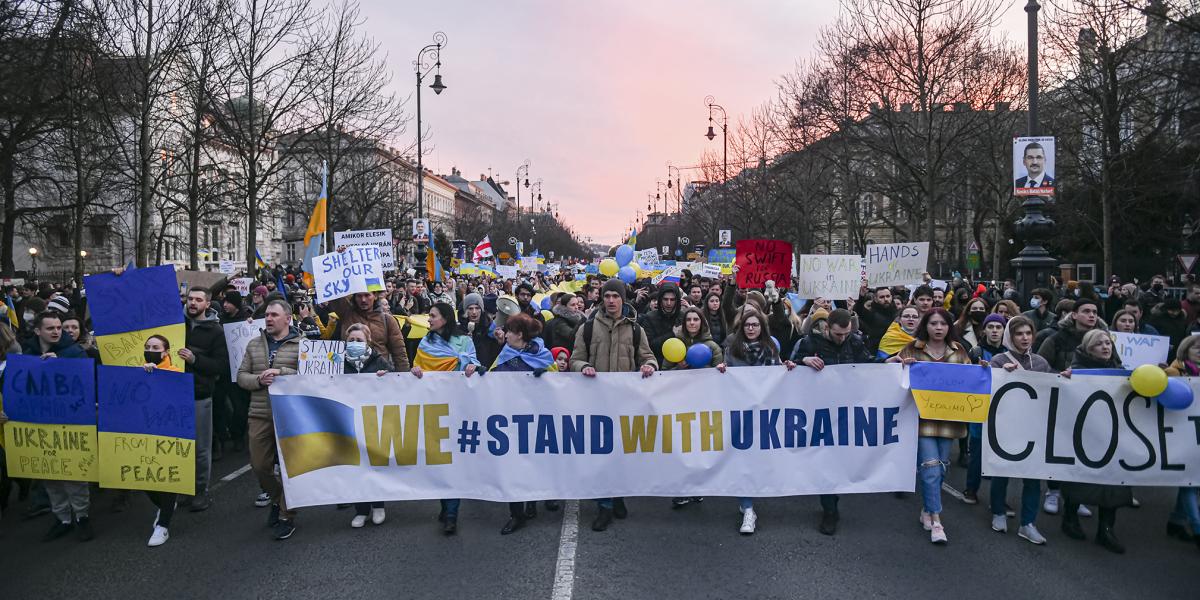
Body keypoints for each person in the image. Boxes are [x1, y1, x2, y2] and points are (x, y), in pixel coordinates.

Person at [570, 278, 656, 532]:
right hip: (596, 402)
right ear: (601, 298)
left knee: (621, 454)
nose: (610, 300)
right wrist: (583, 366)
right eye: (606, 296)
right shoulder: (586, 328)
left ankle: (617, 496)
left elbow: (648, 356)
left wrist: (650, 366)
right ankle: (604, 506)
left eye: (615, 296)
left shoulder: (636, 329)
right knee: (601, 455)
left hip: (624, 402)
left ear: (623, 299)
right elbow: (576, 358)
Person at [888, 308, 971, 544]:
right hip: (921, 420)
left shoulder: (959, 350)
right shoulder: (913, 348)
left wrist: (983, 370)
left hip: (949, 420)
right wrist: (896, 362)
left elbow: (971, 381)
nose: (938, 328)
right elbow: (889, 374)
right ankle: (936, 520)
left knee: (940, 468)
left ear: (948, 327)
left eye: (943, 324)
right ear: (927, 325)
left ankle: (927, 507)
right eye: (933, 323)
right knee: (931, 467)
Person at [790, 308, 875, 535]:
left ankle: (833, 494)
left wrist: (891, 364)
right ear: (827, 328)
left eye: (846, 333)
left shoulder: (854, 342)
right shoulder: (809, 343)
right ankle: (830, 509)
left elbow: (870, 365)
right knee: (824, 460)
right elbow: (787, 368)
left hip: (847, 411)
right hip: (818, 413)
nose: (842, 338)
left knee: (841, 459)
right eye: (838, 334)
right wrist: (803, 361)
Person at [717, 307, 795, 535]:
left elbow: (778, 373)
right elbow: (727, 374)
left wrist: (787, 368)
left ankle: (750, 498)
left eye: (755, 325)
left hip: (765, 412)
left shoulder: (770, 349)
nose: (751, 328)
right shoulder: (732, 349)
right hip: (741, 411)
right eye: (747, 325)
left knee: (761, 458)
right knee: (744, 458)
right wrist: (722, 370)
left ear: (762, 328)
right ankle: (748, 507)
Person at [237, 299, 303, 540]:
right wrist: (257, 381)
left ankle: (287, 514)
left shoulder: (302, 346)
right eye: (267, 315)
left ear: (288, 318)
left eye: (275, 315)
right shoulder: (254, 344)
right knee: (260, 466)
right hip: (260, 413)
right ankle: (278, 498)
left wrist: (281, 373)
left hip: (291, 416)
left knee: (290, 467)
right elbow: (241, 376)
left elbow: (312, 378)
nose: (269, 318)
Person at [411, 302, 479, 535]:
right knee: (439, 459)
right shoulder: (425, 342)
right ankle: (445, 503)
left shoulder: (464, 341)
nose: (428, 320)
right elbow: (417, 367)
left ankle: (452, 512)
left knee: (454, 459)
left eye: (432, 316)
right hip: (433, 407)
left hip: (458, 406)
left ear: (446, 318)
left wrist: (470, 366)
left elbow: (475, 364)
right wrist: (415, 371)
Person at [1061, 329, 1132, 553]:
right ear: (1088, 347)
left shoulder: (1120, 372)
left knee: (1112, 481)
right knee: (1079, 478)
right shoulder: (1079, 371)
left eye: (1108, 343)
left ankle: (1106, 529)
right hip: (1084, 435)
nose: (1105, 347)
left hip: (1113, 436)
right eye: (1099, 343)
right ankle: (1070, 518)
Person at [24, 311, 92, 542]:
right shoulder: (27, 353)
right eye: (50, 328)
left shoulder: (74, 353)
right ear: (37, 331)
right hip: (40, 423)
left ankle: (82, 516)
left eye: (58, 328)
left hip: (68, 422)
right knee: (49, 474)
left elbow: (85, 385)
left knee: (74, 473)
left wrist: (59, 367)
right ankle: (62, 518)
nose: (56, 332)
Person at [486, 312, 557, 535]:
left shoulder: (542, 354)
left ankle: (532, 502)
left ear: (519, 334)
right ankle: (516, 514)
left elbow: (558, 382)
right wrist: (481, 376)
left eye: (508, 331)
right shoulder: (505, 353)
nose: (504, 335)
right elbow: (492, 376)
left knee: (534, 462)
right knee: (513, 466)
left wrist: (546, 375)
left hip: (536, 417)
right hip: (509, 418)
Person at [988, 315, 1053, 545]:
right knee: (1001, 471)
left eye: (1028, 333)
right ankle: (998, 511)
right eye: (1019, 333)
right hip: (1004, 427)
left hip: (1033, 427)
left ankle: (1028, 523)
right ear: (1010, 336)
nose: (1025, 338)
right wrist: (1001, 374)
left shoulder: (1041, 363)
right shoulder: (998, 360)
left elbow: (1051, 393)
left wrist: (1064, 380)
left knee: (1033, 477)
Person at [341, 324, 393, 529]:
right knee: (355, 465)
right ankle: (361, 510)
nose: (354, 344)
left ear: (368, 342)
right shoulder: (336, 363)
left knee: (374, 463)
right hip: (348, 421)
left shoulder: (379, 361)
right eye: (351, 340)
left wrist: (385, 378)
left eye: (359, 340)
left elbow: (396, 385)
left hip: (373, 421)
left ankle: (378, 505)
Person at [139, 335, 185, 546]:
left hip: (169, 433)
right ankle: (166, 505)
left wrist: (156, 377)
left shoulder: (175, 374)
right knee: (145, 478)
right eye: (148, 347)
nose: (151, 350)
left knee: (167, 478)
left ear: (166, 352)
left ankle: (163, 525)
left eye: (156, 347)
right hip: (144, 433)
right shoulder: (138, 373)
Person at [1164, 335, 1200, 550]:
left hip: (1197, 432)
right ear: (1186, 349)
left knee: (1190, 479)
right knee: (1191, 481)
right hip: (1179, 433)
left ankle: (1176, 521)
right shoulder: (1174, 373)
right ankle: (1197, 528)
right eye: (1198, 347)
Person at [328, 292, 410, 372]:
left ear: (375, 296)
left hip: (380, 374)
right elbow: (335, 294)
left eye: (367, 295)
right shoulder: (346, 314)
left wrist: (403, 377)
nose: (363, 300)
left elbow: (399, 351)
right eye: (359, 296)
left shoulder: (388, 320)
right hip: (350, 373)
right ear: (355, 298)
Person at [460, 293, 500, 368]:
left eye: (477, 308)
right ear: (466, 311)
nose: (474, 312)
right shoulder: (460, 329)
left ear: (482, 310)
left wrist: (500, 341)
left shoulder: (490, 328)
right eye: (470, 308)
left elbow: (494, 352)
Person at [855, 287, 897, 355]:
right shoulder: (872, 314)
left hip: (895, 350)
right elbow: (860, 311)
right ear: (875, 299)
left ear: (891, 297)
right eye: (881, 297)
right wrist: (861, 296)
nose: (886, 299)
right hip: (877, 352)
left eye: (888, 296)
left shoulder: (898, 314)